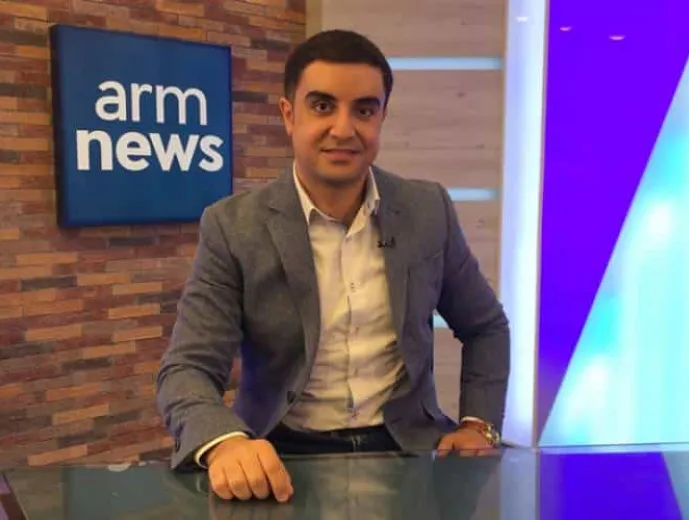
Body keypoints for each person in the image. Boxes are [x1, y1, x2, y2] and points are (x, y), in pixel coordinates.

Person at [156, 29, 510, 503]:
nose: (343, 129)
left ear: (381, 117)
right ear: (289, 115)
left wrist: (478, 425)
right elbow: (187, 368)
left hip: (409, 452)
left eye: (363, 110)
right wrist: (227, 443)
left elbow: (485, 327)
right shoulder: (233, 227)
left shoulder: (428, 210)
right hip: (282, 456)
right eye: (322, 106)